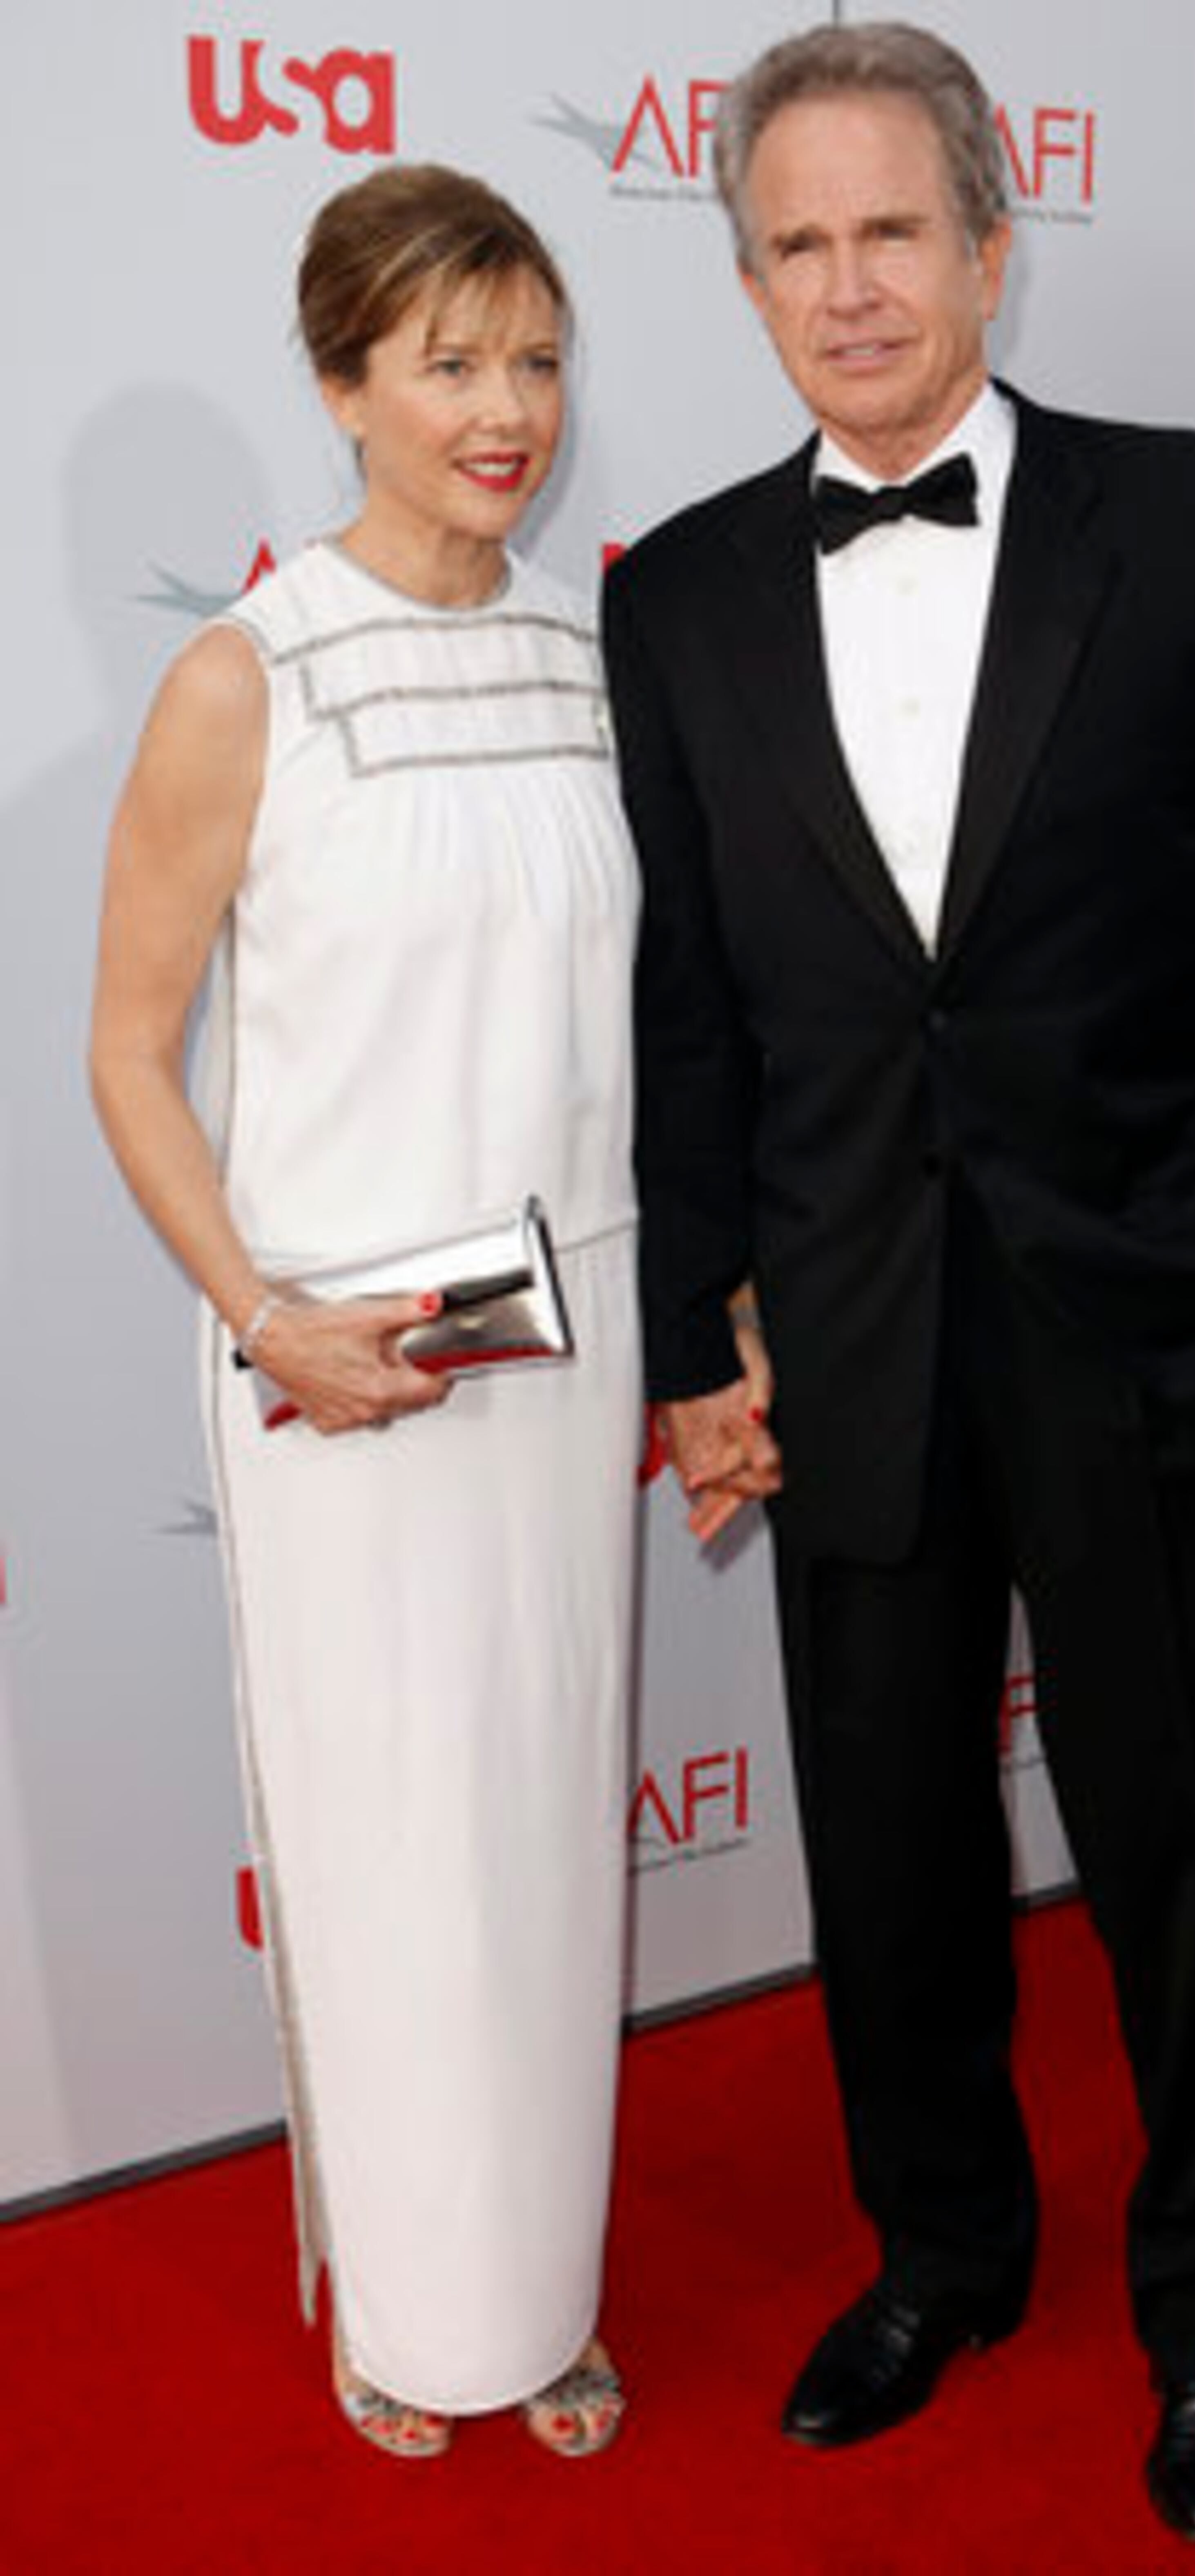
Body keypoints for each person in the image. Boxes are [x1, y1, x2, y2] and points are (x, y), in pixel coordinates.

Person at [603, 21, 1195, 2547]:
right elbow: (691, 1008)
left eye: (891, 233)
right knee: (893, 1843)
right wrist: (695, 1327)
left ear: (991, 239)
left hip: (1160, 1321)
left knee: (1192, 1858)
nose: (849, 289)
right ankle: (942, 2245)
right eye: (796, 247)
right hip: (841, 1333)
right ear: (743, 282)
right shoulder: (695, 589)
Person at [90, 165, 640, 2461]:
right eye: (448, 364)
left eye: (532, 358)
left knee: (539, 1839)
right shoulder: (250, 670)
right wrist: (262, 1317)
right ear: (341, 387)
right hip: (344, 1368)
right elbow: (129, 1046)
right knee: (392, 1834)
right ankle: (408, 2300)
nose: (504, 411)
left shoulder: (594, 656)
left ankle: (537, 2288)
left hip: (563, 1339)